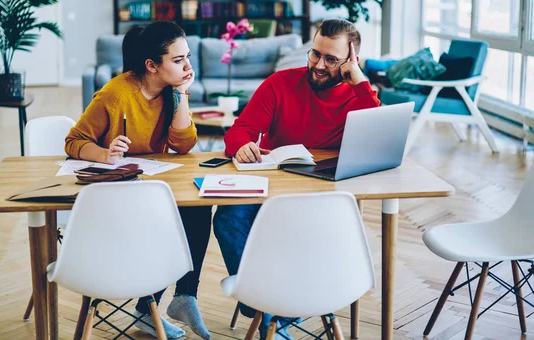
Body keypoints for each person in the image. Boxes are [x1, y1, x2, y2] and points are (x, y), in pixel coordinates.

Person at [213, 19, 381, 339]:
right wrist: (242, 145)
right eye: (314, 54)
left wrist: (359, 82)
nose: (318, 65)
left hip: (328, 195)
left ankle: (270, 312)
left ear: (351, 60)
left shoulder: (359, 95)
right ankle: (270, 311)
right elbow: (240, 130)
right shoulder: (281, 83)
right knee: (228, 218)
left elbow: (376, 136)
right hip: (276, 187)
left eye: (331, 59)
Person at [65, 21, 212, 340]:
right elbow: (73, 141)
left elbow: (183, 145)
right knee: (167, 219)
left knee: (199, 206)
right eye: (178, 60)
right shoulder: (115, 94)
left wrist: (183, 94)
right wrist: (105, 153)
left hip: (150, 188)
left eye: (188, 57)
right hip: (111, 200)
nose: (188, 66)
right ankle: (148, 311)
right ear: (151, 65)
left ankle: (185, 296)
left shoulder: (171, 92)